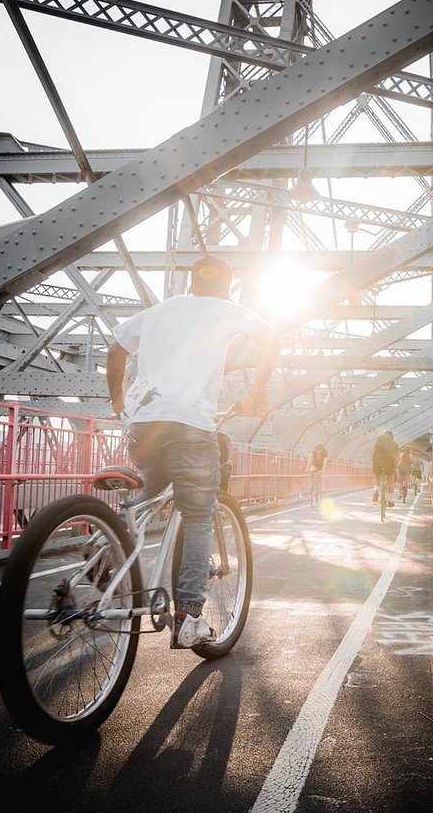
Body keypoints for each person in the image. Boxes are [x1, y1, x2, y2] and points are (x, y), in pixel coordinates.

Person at [106, 255, 279, 649]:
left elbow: (116, 352)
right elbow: (270, 338)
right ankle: (189, 617)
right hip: (191, 425)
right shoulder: (226, 309)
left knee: (146, 494)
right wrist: (257, 393)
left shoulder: (159, 311)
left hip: (145, 423)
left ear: (190, 284)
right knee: (199, 517)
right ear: (226, 287)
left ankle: (104, 552)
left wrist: (119, 403)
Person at [371, 430, 398, 507]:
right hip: (389, 463)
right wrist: (395, 468)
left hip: (378, 462)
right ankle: (390, 500)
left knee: (376, 476)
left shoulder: (378, 441)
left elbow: (373, 454)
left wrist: (375, 462)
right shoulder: (394, 444)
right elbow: (395, 457)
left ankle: (375, 490)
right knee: (390, 478)